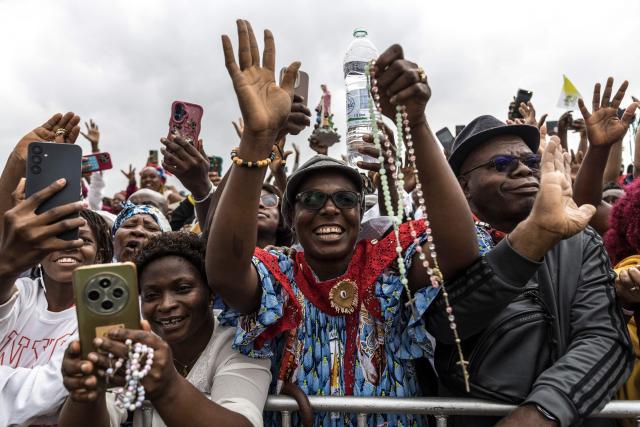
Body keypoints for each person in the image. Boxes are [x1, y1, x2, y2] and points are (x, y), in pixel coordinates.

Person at [207, 20, 533, 426]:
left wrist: (416, 122)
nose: (330, 209)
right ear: (290, 217)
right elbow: (224, 272)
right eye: (311, 199)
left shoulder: (388, 262)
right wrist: (257, 138)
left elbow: (459, 251)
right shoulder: (280, 273)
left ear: (361, 213)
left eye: (345, 199)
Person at [443, 108, 632, 426]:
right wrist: (532, 240)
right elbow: (447, 323)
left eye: (532, 162)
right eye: (501, 164)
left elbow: (605, 338)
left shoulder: (580, 239)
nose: (522, 171)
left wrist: (541, 412)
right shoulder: (443, 246)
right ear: (463, 186)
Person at [58, 232, 271, 427]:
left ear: (211, 293)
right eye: (151, 295)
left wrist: (167, 386)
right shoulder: (134, 347)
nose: (167, 304)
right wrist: (86, 393)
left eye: (183, 289)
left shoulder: (242, 343)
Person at [0, 180, 113, 426]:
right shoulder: (19, 292)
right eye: (57, 238)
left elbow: (56, 394)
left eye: (82, 239)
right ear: (38, 251)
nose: (68, 246)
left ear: (101, 255)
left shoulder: (105, 318)